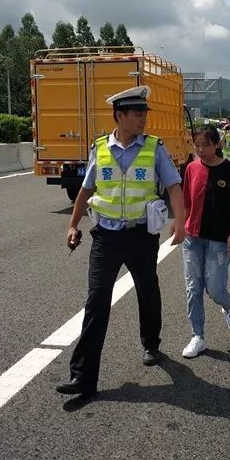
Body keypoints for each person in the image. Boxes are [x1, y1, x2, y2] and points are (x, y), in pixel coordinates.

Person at [57, 86, 185, 399]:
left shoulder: (154, 148)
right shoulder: (100, 148)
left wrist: (180, 222)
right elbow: (86, 190)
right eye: (137, 113)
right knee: (97, 300)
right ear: (120, 115)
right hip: (106, 237)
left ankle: (151, 343)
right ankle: (83, 378)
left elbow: (173, 186)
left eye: (144, 113)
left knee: (147, 290)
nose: (143, 118)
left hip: (141, 236)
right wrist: (73, 224)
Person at [179, 125, 230, 358]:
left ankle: (227, 306)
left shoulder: (229, 170)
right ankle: (198, 336)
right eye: (197, 146)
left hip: (218, 237)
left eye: (206, 145)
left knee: (215, 288)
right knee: (193, 287)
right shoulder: (192, 168)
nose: (201, 150)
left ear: (217, 145)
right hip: (193, 237)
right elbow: (186, 201)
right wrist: (180, 225)